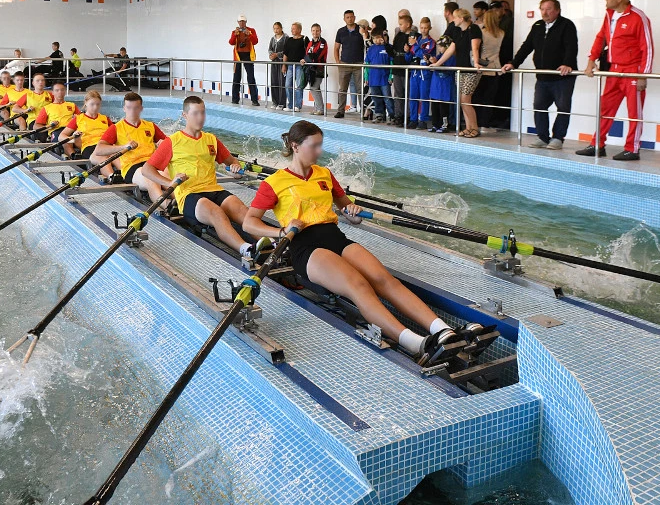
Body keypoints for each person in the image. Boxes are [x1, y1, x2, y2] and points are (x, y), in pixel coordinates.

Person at [242, 120, 469, 365]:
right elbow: (249, 223)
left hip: (335, 237)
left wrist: (352, 212)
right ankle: (415, 343)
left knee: (384, 279)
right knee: (359, 286)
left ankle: (443, 330)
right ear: (295, 147)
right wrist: (281, 230)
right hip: (306, 248)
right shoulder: (274, 182)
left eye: (321, 145)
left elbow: (347, 211)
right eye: (314, 146)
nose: (319, 151)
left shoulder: (324, 174)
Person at [144, 96, 271, 258]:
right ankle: (246, 248)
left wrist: (235, 168)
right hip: (189, 194)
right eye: (195, 113)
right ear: (185, 115)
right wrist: (170, 182)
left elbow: (232, 162)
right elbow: (147, 170)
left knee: (241, 210)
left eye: (203, 113)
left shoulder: (211, 139)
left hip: (214, 189)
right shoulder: (172, 141)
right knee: (217, 213)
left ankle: (272, 244)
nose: (200, 118)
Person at [576, 0, 654, 161]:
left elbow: (647, 47)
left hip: (633, 71)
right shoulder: (609, 15)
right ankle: (597, 145)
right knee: (605, 108)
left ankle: (632, 149)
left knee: (634, 113)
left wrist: (643, 74)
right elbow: (600, 38)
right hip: (613, 70)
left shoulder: (638, 17)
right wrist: (591, 60)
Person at [502, 0, 579, 150]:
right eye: (542, 9)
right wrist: (513, 63)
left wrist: (567, 63)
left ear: (557, 10)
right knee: (539, 106)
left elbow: (572, 46)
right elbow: (527, 46)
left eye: (548, 9)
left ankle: (558, 138)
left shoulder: (566, 25)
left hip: (562, 77)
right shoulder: (537, 26)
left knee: (563, 107)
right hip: (542, 76)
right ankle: (542, 137)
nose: (545, 12)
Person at [92, 92, 168, 201]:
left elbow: (168, 144)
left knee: (169, 176)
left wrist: (163, 144)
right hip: (133, 167)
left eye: (136, 108)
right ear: (124, 108)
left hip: (152, 164)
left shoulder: (151, 126)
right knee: (151, 179)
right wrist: (123, 147)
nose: (132, 111)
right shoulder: (116, 128)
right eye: (129, 108)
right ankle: (165, 204)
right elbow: (99, 150)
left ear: (141, 108)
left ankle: (180, 203)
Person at [429, 9, 484, 138]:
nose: (453, 20)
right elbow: (450, 50)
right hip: (460, 69)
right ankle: (468, 127)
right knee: (462, 100)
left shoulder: (474, 29)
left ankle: (474, 128)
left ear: (461, 18)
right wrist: (437, 63)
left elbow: (475, 47)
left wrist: (476, 63)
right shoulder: (458, 31)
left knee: (465, 99)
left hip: (471, 70)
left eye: (455, 18)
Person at [60, 91, 115, 178]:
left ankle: (124, 175)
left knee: (115, 155)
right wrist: (74, 140)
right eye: (92, 104)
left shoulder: (105, 118)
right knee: (103, 158)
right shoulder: (78, 119)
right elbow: (62, 136)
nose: (95, 107)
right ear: (86, 103)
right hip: (89, 146)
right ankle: (112, 176)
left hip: (104, 144)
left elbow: (117, 133)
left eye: (98, 104)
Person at [474, 9, 505, 131]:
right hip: (495, 67)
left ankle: (476, 123)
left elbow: (476, 48)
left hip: (482, 67)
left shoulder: (482, 32)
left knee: (477, 97)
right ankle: (485, 124)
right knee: (489, 99)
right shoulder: (501, 33)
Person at [333, 10, 365, 118]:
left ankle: (363, 111)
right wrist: (338, 62)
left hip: (358, 64)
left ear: (354, 17)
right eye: (347, 17)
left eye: (351, 17)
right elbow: (336, 48)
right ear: (344, 19)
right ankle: (340, 110)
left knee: (360, 88)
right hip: (344, 64)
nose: (350, 19)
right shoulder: (341, 31)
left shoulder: (361, 29)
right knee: (342, 89)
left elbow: (367, 43)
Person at [407, 18, 436, 129]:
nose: (423, 30)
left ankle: (423, 120)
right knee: (413, 97)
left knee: (424, 97)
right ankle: (413, 119)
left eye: (426, 28)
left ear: (430, 28)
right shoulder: (416, 40)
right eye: (422, 27)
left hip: (425, 72)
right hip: (414, 72)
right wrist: (407, 50)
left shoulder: (431, 42)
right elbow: (409, 56)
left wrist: (414, 46)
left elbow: (424, 54)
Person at [427, 36, 457, 132]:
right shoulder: (440, 56)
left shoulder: (452, 57)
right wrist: (431, 61)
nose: (439, 49)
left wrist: (438, 64)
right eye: (438, 46)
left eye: (441, 46)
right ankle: (436, 124)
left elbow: (449, 70)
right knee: (435, 106)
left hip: (445, 87)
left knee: (444, 107)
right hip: (436, 86)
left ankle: (445, 125)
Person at [390, 12, 415, 126]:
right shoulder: (399, 36)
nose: (399, 27)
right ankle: (398, 115)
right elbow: (393, 50)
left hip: (408, 69)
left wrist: (408, 50)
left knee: (408, 94)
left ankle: (409, 116)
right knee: (398, 93)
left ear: (408, 24)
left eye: (401, 24)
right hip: (397, 67)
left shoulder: (414, 36)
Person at [229, 15, 260, 106]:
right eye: (240, 21)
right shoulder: (235, 31)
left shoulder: (251, 30)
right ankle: (235, 99)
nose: (242, 23)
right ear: (238, 22)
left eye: (243, 21)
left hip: (248, 55)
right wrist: (235, 35)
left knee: (251, 78)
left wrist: (249, 34)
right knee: (236, 78)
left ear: (246, 22)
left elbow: (255, 42)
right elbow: (231, 42)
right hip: (238, 56)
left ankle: (254, 100)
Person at [365, 28, 394, 124]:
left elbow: (392, 62)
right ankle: (379, 115)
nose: (376, 41)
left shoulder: (388, 48)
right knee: (376, 98)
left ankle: (392, 115)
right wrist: (366, 77)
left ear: (383, 37)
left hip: (384, 78)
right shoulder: (371, 49)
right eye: (374, 39)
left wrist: (391, 76)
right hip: (373, 78)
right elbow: (367, 64)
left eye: (378, 38)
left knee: (387, 98)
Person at [302, 24, 329, 115]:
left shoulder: (323, 42)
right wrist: (305, 59)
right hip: (310, 70)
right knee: (315, 88)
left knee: (314, 88)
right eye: (313, 30)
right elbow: (307, 54)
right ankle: (317, 108)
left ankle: (320, 109)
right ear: (311, 31)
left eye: (317, 30)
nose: (315, 32)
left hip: (319, 69)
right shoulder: (310, 43)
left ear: (320, 31)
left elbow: (317, 56)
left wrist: (306, 59)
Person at [284, 22, 310, 112]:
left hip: (300, 66)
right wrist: (284, 65)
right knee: (288, 85)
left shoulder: (304, 39)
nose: (292, 30)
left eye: (294, 28)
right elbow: (285, 54)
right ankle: (290, 105)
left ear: (299, 30)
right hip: (290, 66)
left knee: (299, 86)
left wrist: (305, 60)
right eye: (291, 28)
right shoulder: (289, 40)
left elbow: (308, 52)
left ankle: (297, 105)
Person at [267, 22, 287, 110]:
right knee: (274, 81)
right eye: (274, 28)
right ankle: (275, 102)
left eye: (277, 28)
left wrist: (277, 55)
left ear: (281, 28)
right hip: (274, 63)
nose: (276, 30)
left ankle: (282, 103)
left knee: (282, 82)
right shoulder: (272, 39)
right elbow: (269, 49)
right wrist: (271, 55)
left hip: (282, 63)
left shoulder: (286, 38)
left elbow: (286, 51)